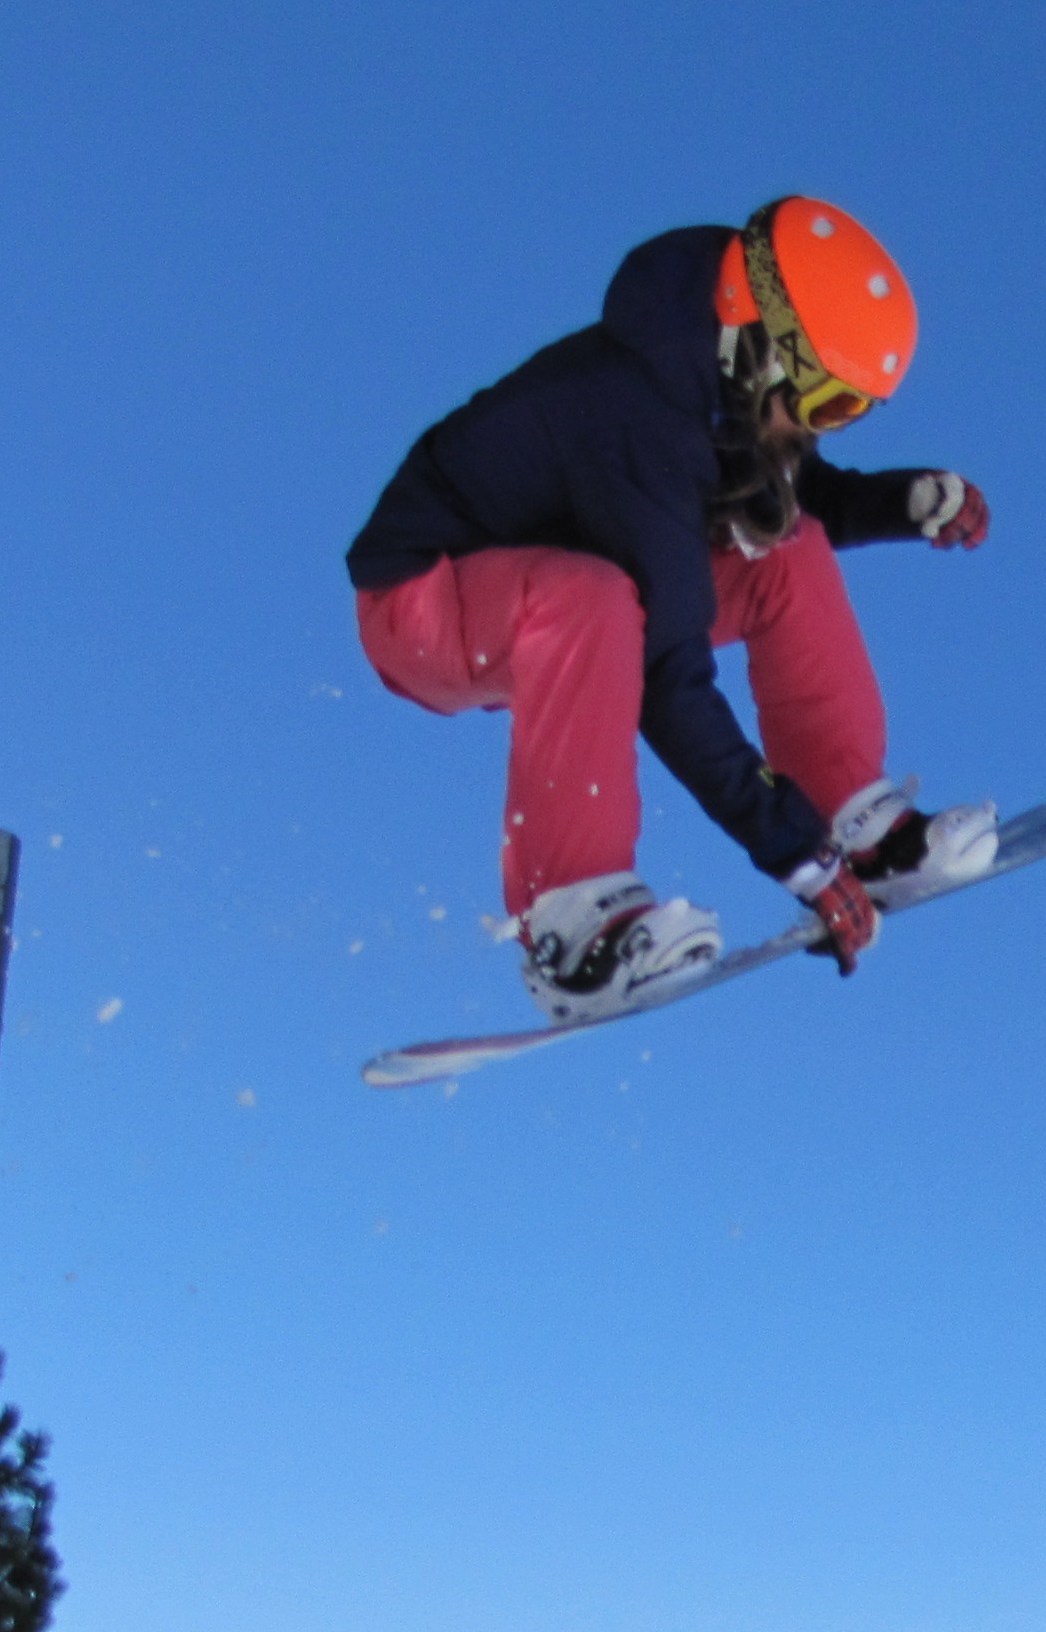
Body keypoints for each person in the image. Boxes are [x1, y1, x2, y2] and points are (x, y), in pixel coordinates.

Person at [348, 197, 998, 1024]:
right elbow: (667, 670)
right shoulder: (637, 417)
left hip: (568, 602)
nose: (823, 427)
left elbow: (793, 492)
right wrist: (789, 850)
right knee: (597, 600)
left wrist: (908, 502)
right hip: (422, 602)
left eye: (852, 410)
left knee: (786, 548)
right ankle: (572, 927)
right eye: (828, 402)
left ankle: (861, 827)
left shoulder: (717, 386)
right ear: (763, 346)